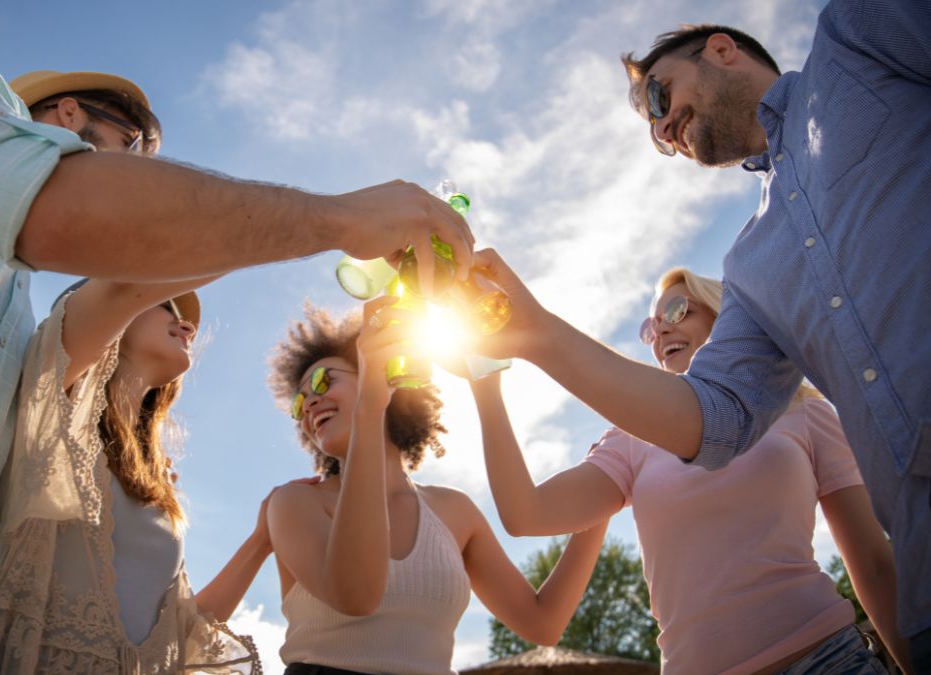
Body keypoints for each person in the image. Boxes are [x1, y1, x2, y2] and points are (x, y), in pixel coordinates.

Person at [0, 53, 473, 674]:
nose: (138, 179)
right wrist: (339, 219)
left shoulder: (9, 324)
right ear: (65, 116)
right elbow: (91, 231)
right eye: (133, 151)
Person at [467, 2, 931, 667]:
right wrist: (532, 333)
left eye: (658, 94)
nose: (660, 127)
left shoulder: (853, 41)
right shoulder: (754, 266)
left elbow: (869, 565)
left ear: (720, 49)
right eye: (653, 129)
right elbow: (712, 419)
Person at [473, 267, 909, 673]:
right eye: (650, 326)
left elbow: (872, 564)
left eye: (677, 311)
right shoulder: (630, 436)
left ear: (723, 319)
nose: (660, 328)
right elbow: (525, 513)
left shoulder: (803, 409)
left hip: (827, 660)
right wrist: (486, 383)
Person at [265, 301, 609, 675]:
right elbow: (357, 595)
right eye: (299, 401)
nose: (310, 401)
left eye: (323, 381)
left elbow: (542, 623)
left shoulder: (454, 510)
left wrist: (604, 494)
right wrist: (368, 409)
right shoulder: (292, 503)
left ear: (386, 373)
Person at [0, 279, 279, 673]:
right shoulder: (52, 412)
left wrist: (260, 543)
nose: (187, 327)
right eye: (166, 304)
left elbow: (180, 633)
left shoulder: (159, 491)